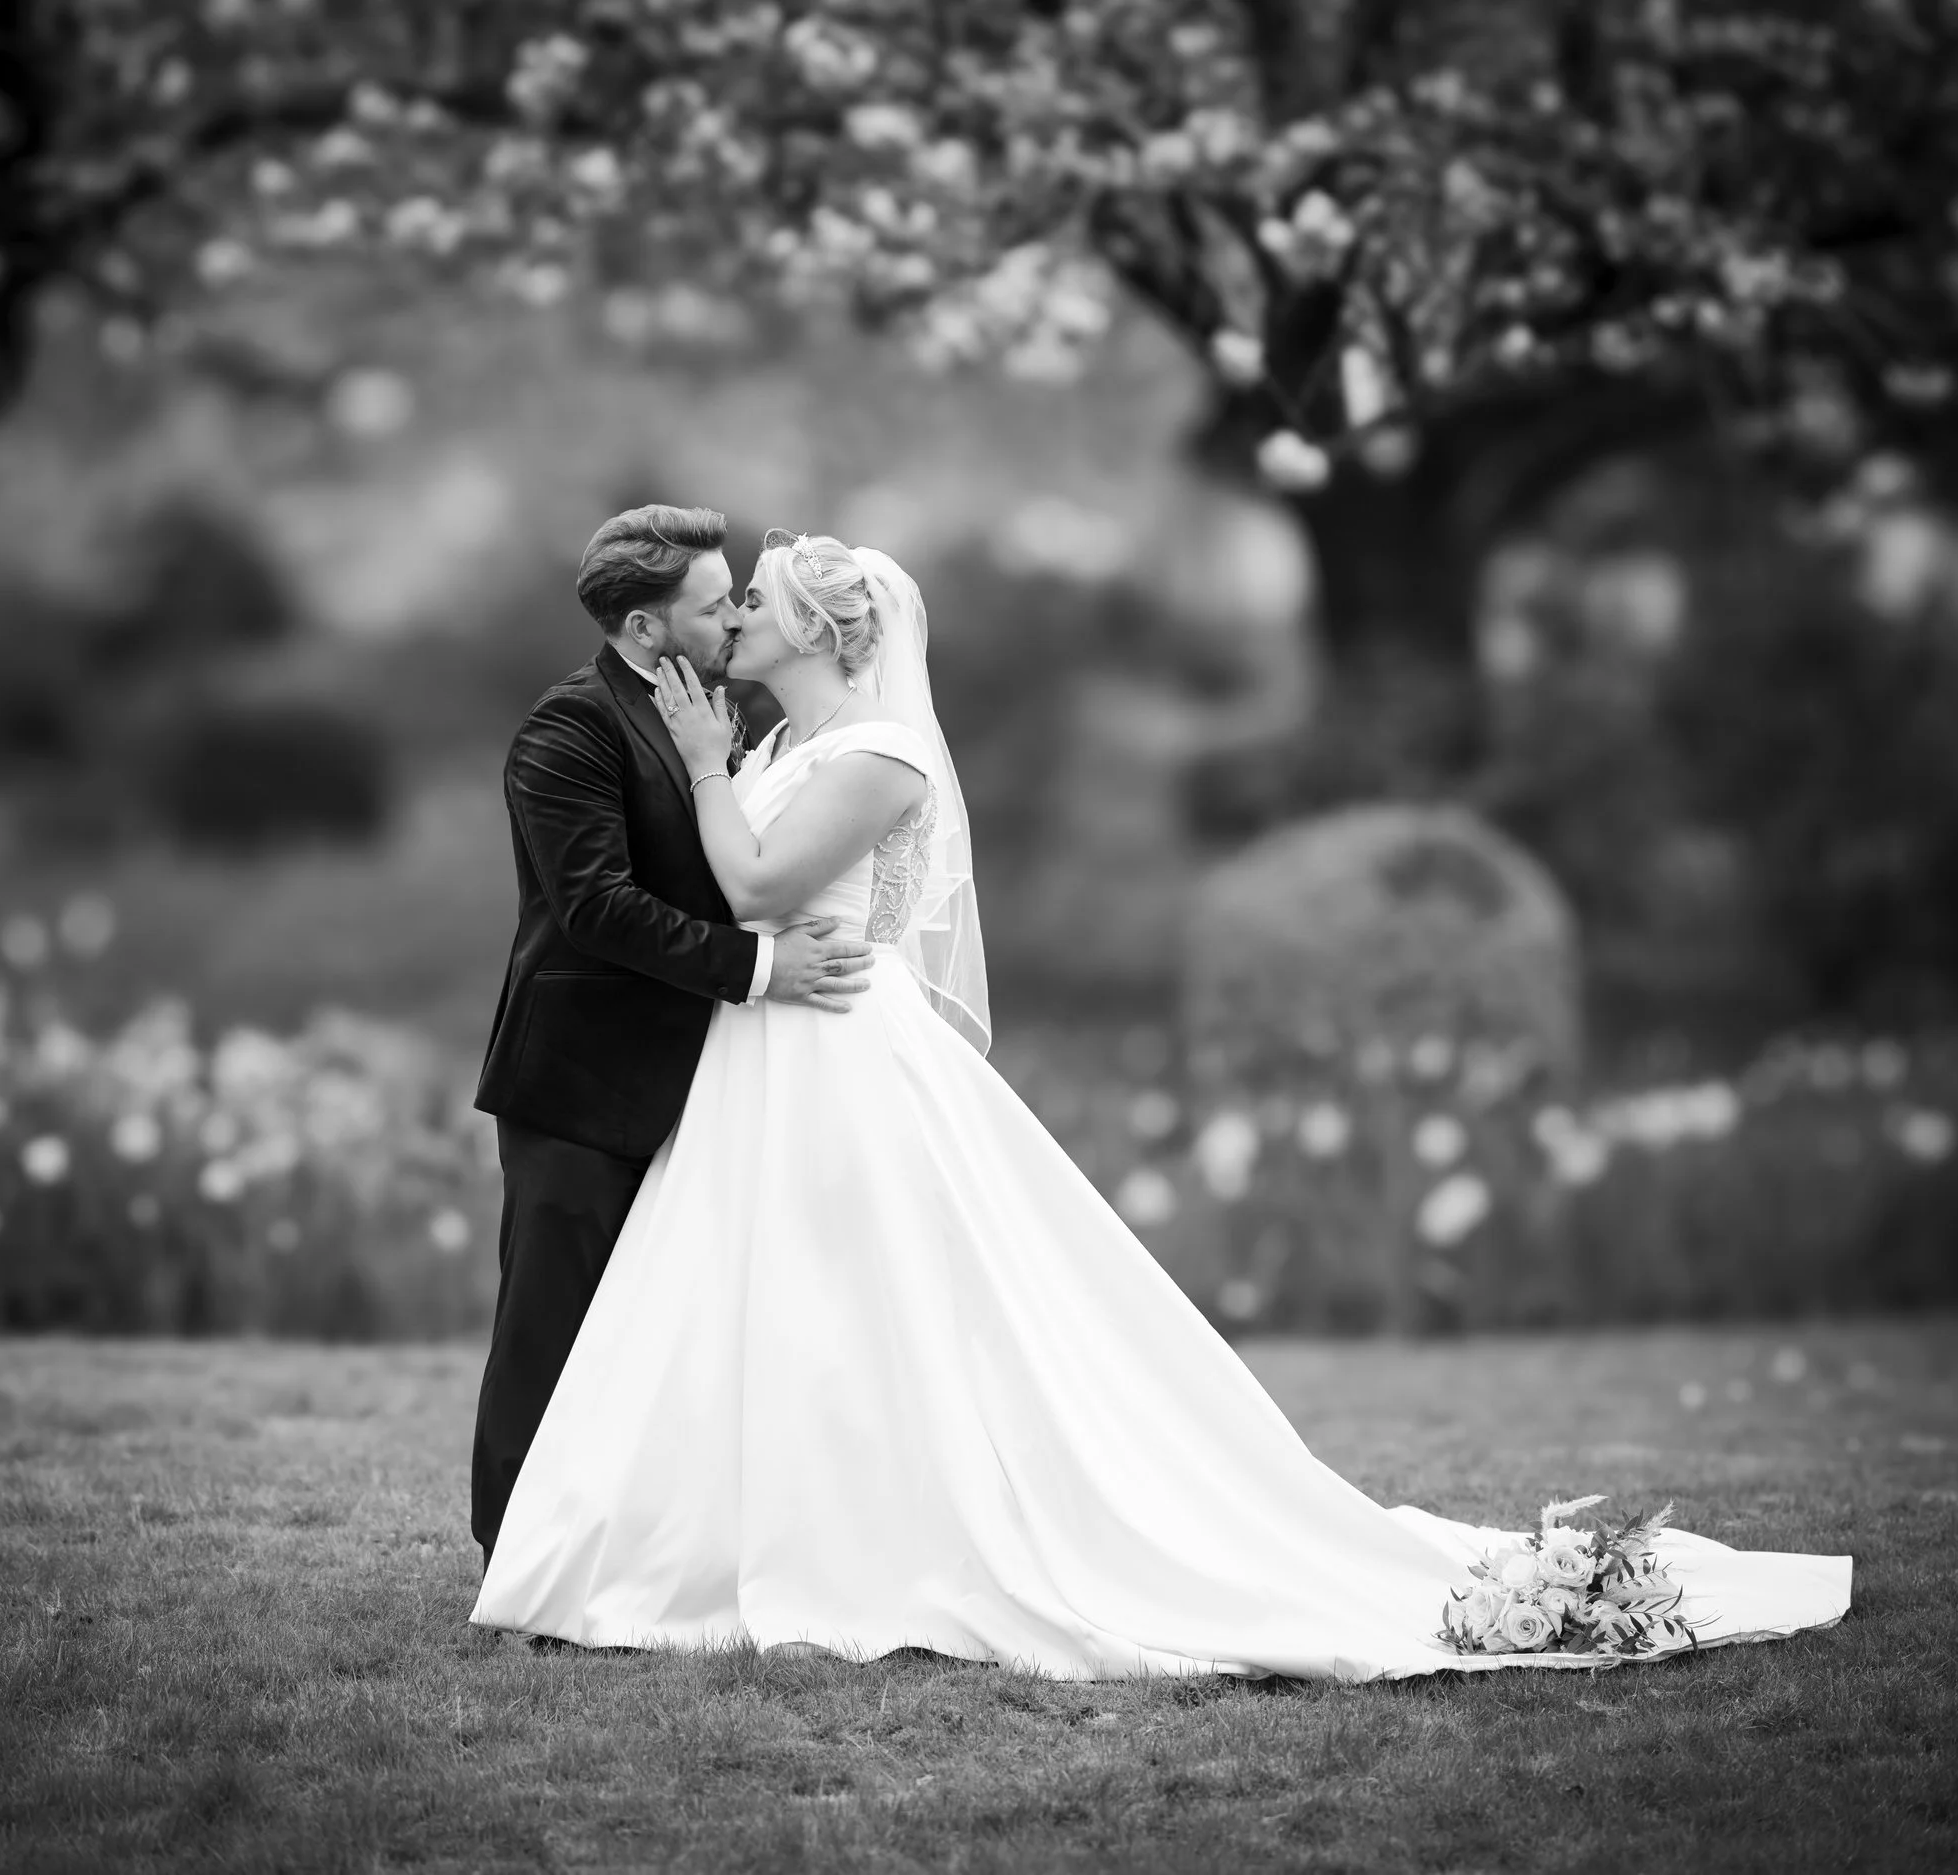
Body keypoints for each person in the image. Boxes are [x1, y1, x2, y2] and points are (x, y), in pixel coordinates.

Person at [470, 528, 1852, 1681]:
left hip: (831, 1037)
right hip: (765, 1036)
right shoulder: (759, 734)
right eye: (728, 602)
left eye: (755, 602)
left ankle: (879, 1530)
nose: (737, 616)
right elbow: (711, 884)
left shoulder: (872, 750)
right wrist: (726, 806)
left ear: (828, 632)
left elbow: (762, 883)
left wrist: (714, 784)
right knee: (761, 1296)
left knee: (870, 1296)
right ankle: (707, 1529)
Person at [469, 506, 873, 1565]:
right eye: (714, 603)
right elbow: (595, 907)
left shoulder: (723, 716)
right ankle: (511, 1556)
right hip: (583, 1078)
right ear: (646, 631)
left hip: (711, 1081)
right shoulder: (568, 730)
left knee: (659, 1339)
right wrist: (760, 967)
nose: (737, 611)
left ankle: (631, 1548)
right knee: (550, 1329)